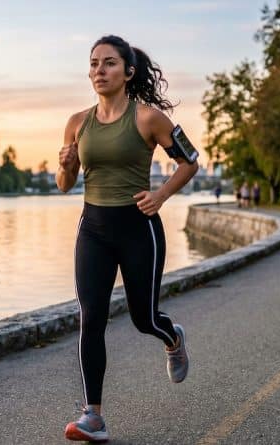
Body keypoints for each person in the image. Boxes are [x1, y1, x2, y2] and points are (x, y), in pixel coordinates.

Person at [56, 35, 198, 443]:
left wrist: (161, 195)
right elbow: (65, 184)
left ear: (128, 72)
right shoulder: (76, 122)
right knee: (91, 318)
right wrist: (64, 166)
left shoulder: (148, 118)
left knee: (143, 318)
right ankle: (93, 416)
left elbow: (190, 161)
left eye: (109, 63)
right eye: (94, 63)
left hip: (139, 228)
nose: (99, 70)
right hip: (93, 231)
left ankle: (172, 337)